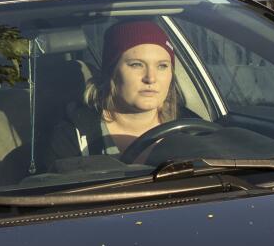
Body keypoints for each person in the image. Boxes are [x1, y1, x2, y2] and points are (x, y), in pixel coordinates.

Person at [41, 20, 185, 165]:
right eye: (136, 64)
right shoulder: (72, 136)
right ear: (111, 72)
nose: (151, 78)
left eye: (162, 66)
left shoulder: (189, 127)